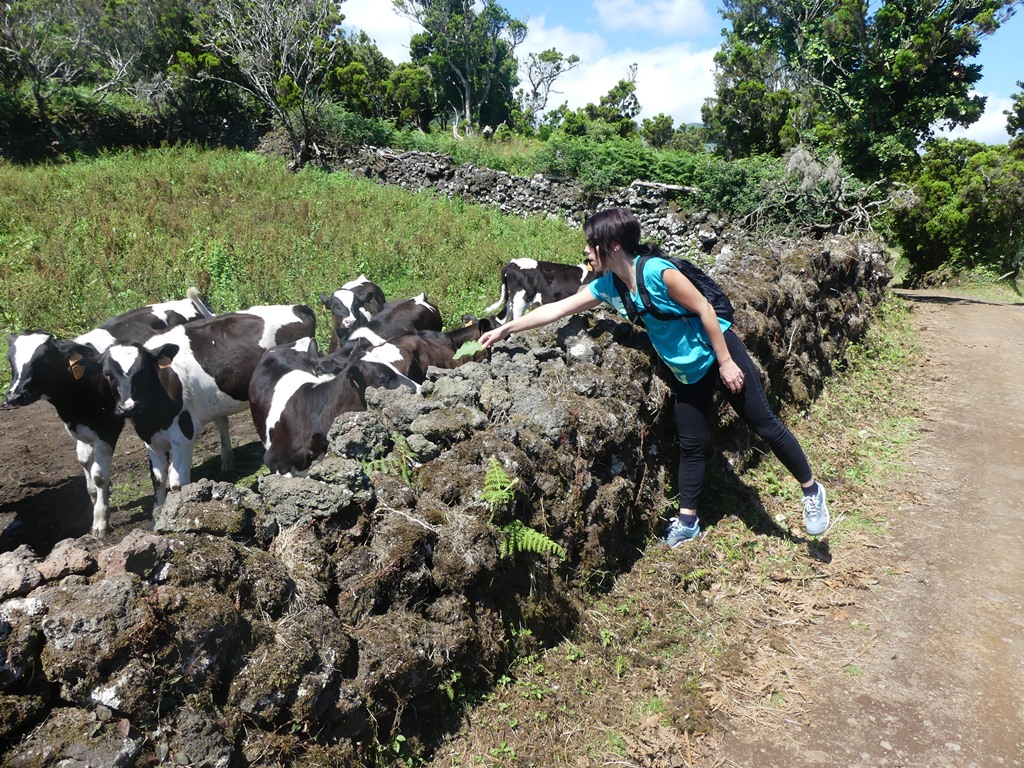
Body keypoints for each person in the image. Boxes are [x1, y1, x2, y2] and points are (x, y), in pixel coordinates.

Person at [479, 207, 829, 546]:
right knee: (691, 444)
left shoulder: (658, 272)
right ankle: (689, 522)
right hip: (685, 371)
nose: (585, 250)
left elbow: (704, 309)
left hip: (718, 352)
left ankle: (812, 490)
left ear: (612, 246)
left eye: (590, 243)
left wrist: (725, 361)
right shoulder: (610, 286)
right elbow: (556, 309)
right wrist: (506, 329)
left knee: (764, 424)